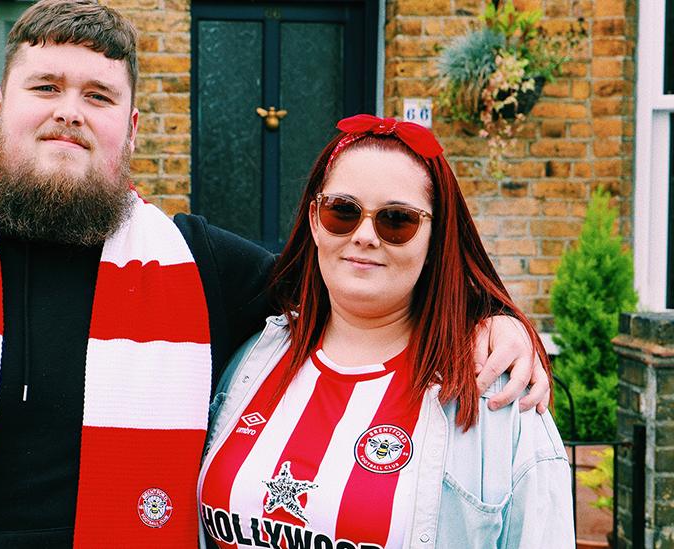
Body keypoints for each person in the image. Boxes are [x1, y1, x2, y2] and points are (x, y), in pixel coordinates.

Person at [0, 2, 549, 548]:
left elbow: (355, 277)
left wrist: (490, 315)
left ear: (130, 127)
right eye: (47, 87)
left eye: (99, 94)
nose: (70, 109)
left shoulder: (198, 266)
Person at [198, 115, 573, 549]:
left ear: (435, 241)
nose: (364, 236)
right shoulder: (254, 358)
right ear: (315, 220)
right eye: (342, 211)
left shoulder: (499, 398)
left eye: (396, 221)